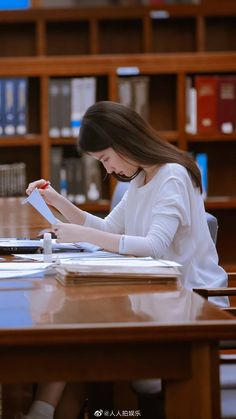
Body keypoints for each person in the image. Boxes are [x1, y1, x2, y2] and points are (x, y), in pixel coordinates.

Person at [23, 100, 227, 418]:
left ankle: (44, 409)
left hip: (190, 304)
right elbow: (107, 228)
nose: (108, 170)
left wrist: (83, 235)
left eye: (105, 158)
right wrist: (56, 200)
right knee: (78, 334)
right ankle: (45, 409)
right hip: (157, 296)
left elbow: (154, 246)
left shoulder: (171, 176)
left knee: (79, 334)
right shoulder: (142, 178)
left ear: (123, 142)